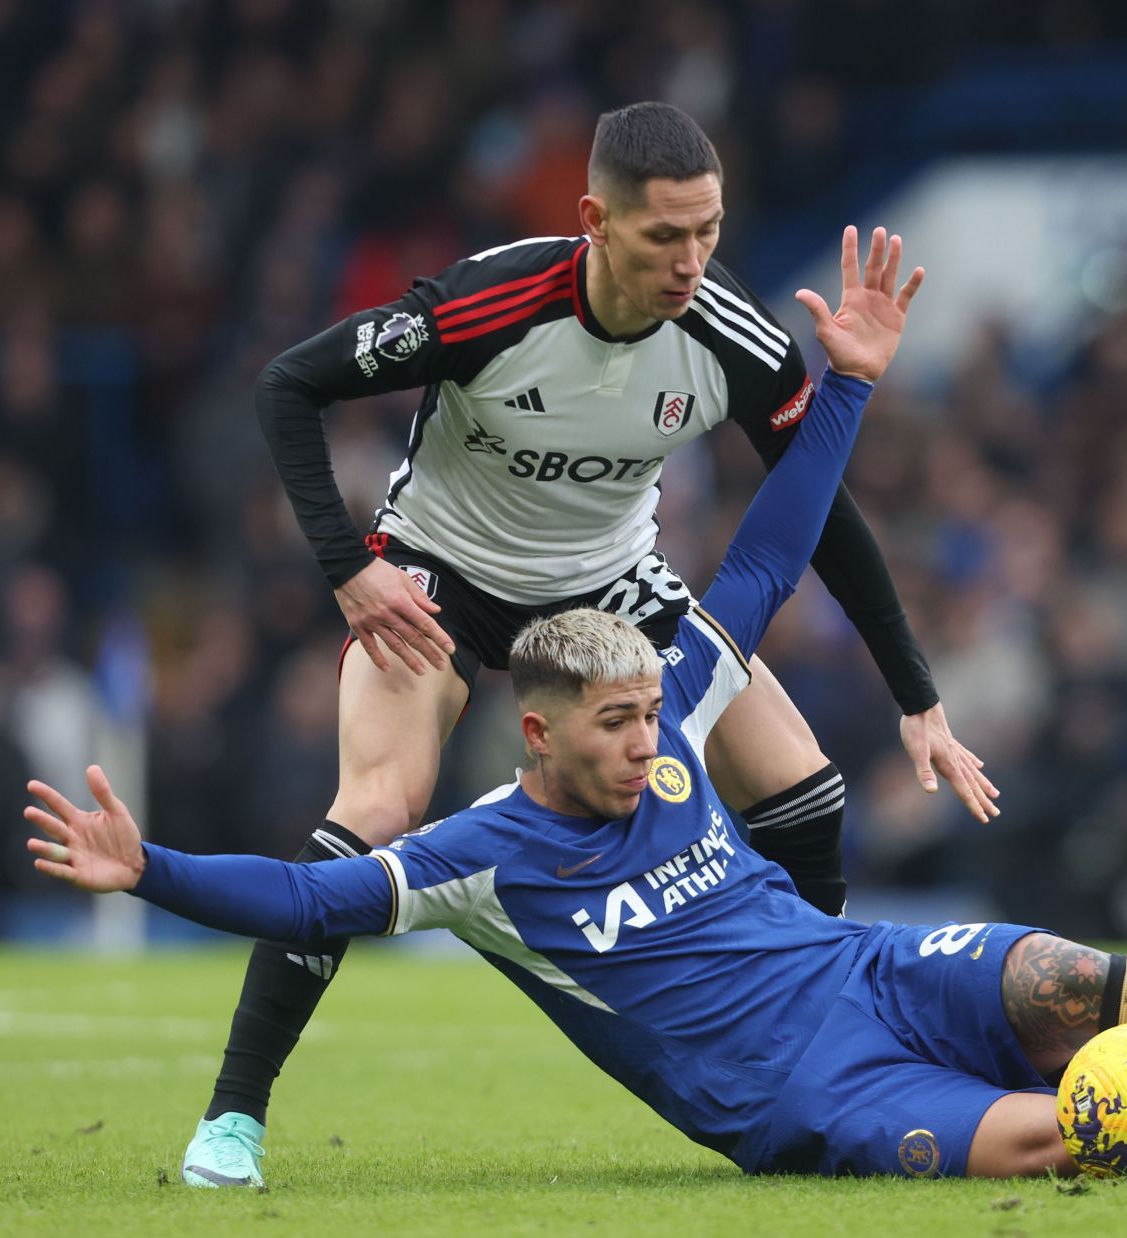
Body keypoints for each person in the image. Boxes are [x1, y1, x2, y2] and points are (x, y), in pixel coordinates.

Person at [30, 230, 1127, 1181]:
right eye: (616, 730)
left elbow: (772, 550)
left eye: (646, 720)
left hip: (855, 967)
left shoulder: (663, 699)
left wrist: (850, 390)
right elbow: (307, 894)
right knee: (1086, 1136)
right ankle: (236, 1113)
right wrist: (145, 863)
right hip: (781, 1068)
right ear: (535, 735)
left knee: (1070, 968)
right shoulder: (483, 857)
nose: (652, 745)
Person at [201, 102, 999, 1182]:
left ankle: (809, 1045)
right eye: (664, 235)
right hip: (441, 576)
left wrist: (915, 691)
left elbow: (817, 509)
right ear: (594, 219)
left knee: (806, 793)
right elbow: (286, 383)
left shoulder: (731, 335)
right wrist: (350, 567)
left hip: (611, 586)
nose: (691, 261)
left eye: (708, 231)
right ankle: (234, 1118)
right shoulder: (489, 302)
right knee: (376, 811)